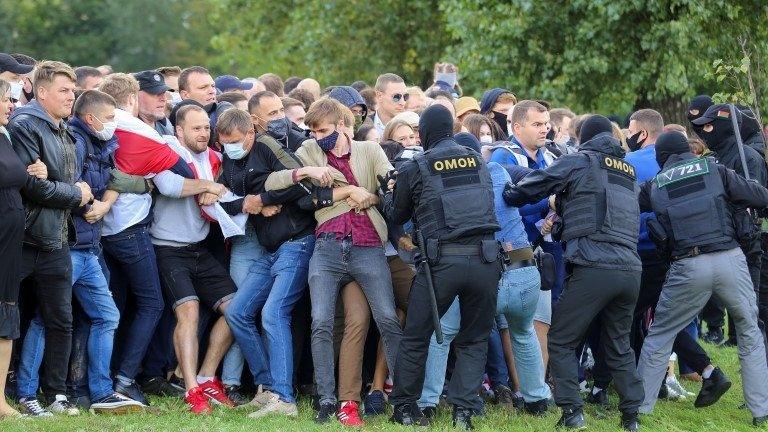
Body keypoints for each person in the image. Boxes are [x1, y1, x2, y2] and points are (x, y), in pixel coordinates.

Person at [263, 98, 403, 425]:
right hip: (326, 245)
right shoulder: (310, 152)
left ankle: (404, 397)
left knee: (387, 318)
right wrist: (344, 190)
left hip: (368, 243)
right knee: (321, 321)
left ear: (341, 124)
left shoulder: (369, 150)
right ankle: (326, 398)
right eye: (312, 129)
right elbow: (297, 195)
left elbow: (391, 185)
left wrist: (373, 196)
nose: (316, 135)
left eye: (323, 129)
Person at [504, 115, 644, 431]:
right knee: (618, 345)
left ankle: (571, 413)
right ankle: (631, 417)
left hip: (594, 265)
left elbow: (531, 187)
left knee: (562, 339)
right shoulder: (627, 172)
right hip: (630, 270)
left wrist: (511, 192)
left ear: (584, 138)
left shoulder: (580, 160)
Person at [635, 131, 768, 427]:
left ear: (661, 158)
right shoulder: (717, 170)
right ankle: (761, 411)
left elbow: (626, 206)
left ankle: (638, 412)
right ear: (688, 150)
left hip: (687, 266)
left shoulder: (655, 184)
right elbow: (759, 196)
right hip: (730, 259)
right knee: (749, 331)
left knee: (659, 336)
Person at [382, 105, 502, 429]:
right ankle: (463, 411)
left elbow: (396, 214)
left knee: (417, 337)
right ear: (451, 129)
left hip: (442, 262)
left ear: (422, 135)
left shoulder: (418, 164)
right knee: (475, 338)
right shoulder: (477, 159)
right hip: (487, 259)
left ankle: (405, 409)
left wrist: (387, 192)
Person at [218, 102, 316, 419]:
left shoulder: (268, 147)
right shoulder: (228, 162)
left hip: (297, 242)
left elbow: (303, 182)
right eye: (224, 143)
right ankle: (268, 387)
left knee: (274, 313)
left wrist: (266, 198)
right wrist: (252, 204)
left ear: (251, 133)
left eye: (235, 141)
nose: (230, 148)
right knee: (237, 312)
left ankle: (285, 399)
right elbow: (223, 202)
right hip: (269, 248)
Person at [9, 61, 94, 417]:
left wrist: (63, 185)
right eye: (63, 90)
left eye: (73, 91)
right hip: (23, 238)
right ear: (40, 92)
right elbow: (32, 185)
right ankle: (22, 394)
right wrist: (76, 193)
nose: (71, 97)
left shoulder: (66, 131)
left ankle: (56, 395)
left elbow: (57, 181)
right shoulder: (25, 124)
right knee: (11, 319)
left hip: (58, 237)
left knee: (61, 319)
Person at [150, 104, 237, 414]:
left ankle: (206, 377)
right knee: (189, 312)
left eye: (206, 128)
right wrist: (209, 185)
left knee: (237, 309)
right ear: (179, 130)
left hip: (199, 249)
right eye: (196, 128)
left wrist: (218, 186)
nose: (203, 133)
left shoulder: (213, 158)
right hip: (167, 248)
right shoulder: (167, 150)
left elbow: (226, 193)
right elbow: (169, 186)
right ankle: (191, 391)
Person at [692, 104, 768, 346]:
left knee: (749, 306)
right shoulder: (711, 159)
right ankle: (735, 337)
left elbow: (755, 197)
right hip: (717, 240)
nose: (705, 132)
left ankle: (753, 351)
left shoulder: (748, 157)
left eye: (709, 125)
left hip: (746, 240)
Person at [0, 78, 46, 419]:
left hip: (9, 241)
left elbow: (20, 179)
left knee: (6, 311)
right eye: (5, 100)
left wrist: (37, 173)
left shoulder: (5, 135)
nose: (11, 106)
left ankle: (0, 401)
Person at [134, 70, 173, 135]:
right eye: (155, 93)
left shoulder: (167, 132)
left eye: (163, 93)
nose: (163, 99)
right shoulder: (126, 129)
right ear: (136, 96)